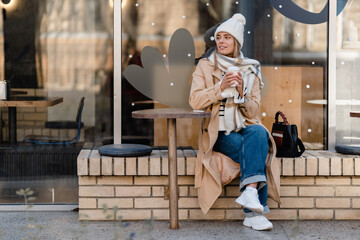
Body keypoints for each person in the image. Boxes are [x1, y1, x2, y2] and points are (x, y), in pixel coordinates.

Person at [189, 13, 280, 231]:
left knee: (258, 132)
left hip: (245, 127)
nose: (221, 41)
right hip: (219, 134)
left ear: (236, 41)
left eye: (226, 37)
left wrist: (242, 93)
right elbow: (194, 100)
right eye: (218, 37)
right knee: (255, 152)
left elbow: (254, 111)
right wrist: (219, 88)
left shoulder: (251, 68)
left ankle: (249, 195)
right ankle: (254, 213)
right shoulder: (205, 66)